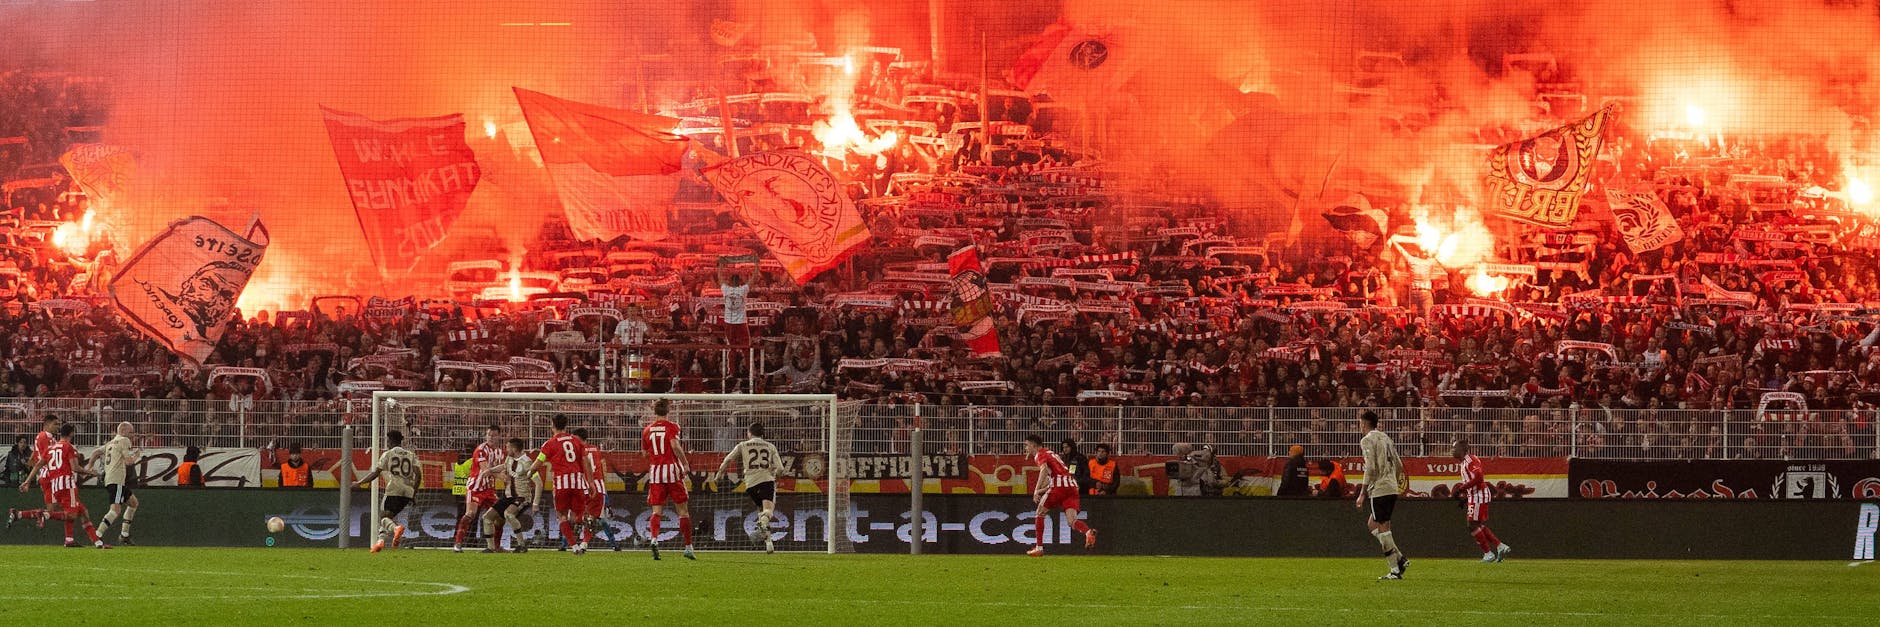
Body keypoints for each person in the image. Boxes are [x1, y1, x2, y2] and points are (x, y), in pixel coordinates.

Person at [13, 425, 110, 548]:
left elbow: (37, 465)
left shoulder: (51, 448)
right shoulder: (68, 447)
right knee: (72, 514)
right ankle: (45, 515)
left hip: (55, 486)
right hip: (66, 484)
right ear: (72, 434)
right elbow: (75, 467)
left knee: (82, 511)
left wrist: (27, 481)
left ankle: (93, 542)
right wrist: (91, 472)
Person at [711, 422, 782, 553]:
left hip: (750, 485)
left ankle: (768, 543)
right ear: (763, 434)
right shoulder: (770, 446)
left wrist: (719, 474)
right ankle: (762, 526)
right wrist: (775, 476)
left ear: (749, 433)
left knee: (761, 512)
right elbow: (781, 469)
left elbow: (727, 459)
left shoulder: (742, 445)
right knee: (768, 511)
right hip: (766, 481)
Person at [1355, 411, 1409, 579]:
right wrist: (1392, 479)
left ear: (1364, 424)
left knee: (1383, 527)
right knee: (1373, 523)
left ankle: (1394, 570)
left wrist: (1362, 493)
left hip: (1380, 488)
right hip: (1391, 486)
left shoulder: (1367, 440)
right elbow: (1399, 464)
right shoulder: (1386, 438)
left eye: (1360, 423)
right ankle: (1399, 558)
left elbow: (1370, 467)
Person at [1022, 434, 1096, 557]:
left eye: (1027, 445)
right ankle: (1088, 532)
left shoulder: (1039, 454)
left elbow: (1044, 470)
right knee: (1072, 521)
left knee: (1040, 513)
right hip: (1072, 486)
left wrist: (1036, 490)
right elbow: (1051, 476)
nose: (1026, 448)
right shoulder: (1050, 453)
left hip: (1059, 486)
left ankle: (1039, 548)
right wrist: (1042, 489)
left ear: (1033, 445)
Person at [642, 398, 694, 560]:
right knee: (683, 511)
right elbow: (675, 446)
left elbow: (644, 454)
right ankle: (688, 547)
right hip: (672, 471)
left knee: (656, 511)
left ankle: (654, 539)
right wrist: (685, 464)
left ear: (654, 411)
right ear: (668, 410)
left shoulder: (647, 430)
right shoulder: (672, 427)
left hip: (656, 473)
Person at [538, 414, 597, 555]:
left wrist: (529, 472)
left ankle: (574, 547)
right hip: (578, 482)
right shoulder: (576, 441)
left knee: (561, 516)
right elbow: (586, 462)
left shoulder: (549, 443)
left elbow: (539, 461)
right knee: (582, 515)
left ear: (552, 426)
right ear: (566, 426)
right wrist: (591, 482)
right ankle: (583, 537)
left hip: (561, 484)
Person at [354, 430, 420, 553]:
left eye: (388, 440)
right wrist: (413, 494)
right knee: (388, 517)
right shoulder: (411, 455)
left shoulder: (388, 454)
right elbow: (419, 475)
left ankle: (396, 529)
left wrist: (359, 483)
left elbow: (375, 473)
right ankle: (380, 542)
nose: (387, 443)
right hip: (408, 491)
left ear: (391, 440)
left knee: (383, 517)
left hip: (394, 488)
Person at [1453, 439, 1511, 563]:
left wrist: (1461, 489)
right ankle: (1500, 546)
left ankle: (1489, 553)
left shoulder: (1470, 460)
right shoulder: (1464, 463)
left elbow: (1479, 477)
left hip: (1479, 495)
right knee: (1476, 525)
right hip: (1475, 495)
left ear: (1462, 450)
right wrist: (1465, 498)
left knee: (1472, 525)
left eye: (1454, 448)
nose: (1452, 451)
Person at [453, 424, 505, 553]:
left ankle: (496, 546)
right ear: (486, 435)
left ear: (499, 436)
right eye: (489, 435)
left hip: (489, 490)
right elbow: (485, 470)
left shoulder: (500, 452)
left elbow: (502, 468)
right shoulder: (481, 450)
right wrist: (501, 476)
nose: (491, 437)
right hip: (475, 487)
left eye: (494, 435)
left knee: (500, 517)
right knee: (470, 514)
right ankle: (457, 544)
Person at [573, 428, 623, 552]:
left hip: (585, 487)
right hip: (599, 487)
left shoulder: (577, 451)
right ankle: (586, 543)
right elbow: (600, 470)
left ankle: (570, 542)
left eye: (574, 438)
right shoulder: (596, 450)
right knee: (595, 518)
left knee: (583, 517)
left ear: (579, 438)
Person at [93, 421, 141, 546]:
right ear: (123, 431)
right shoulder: (124, 440)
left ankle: (124, 535)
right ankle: (97, 535)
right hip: (117, 479)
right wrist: (136, 456)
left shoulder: (110, 443)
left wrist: (89, 465)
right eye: (130, 432)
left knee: (133, 503)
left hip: (111, 479)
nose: (132, 435)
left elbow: (96, 452)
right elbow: (128, 462)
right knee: (115, 510)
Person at [495, 438, 543, 553]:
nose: (506, 450)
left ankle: (521, 545)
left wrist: (535, 503)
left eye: (507, 447)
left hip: (521, 497)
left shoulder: (527, 462)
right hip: (509, 497)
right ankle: (493, 547)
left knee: (509, 514)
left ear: (514, 449)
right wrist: (490, 470)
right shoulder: (509, 459)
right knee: (493, 518)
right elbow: (504, 466)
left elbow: (539, 483)